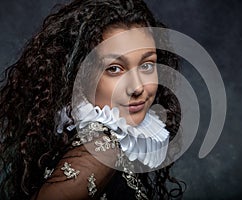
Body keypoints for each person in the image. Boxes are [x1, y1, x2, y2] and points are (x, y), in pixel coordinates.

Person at [0, 0, 184, 199]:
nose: (138, 87)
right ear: (82, 76)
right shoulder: (101, 148)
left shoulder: (102, 138)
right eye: (114, 69)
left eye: (147, 65)